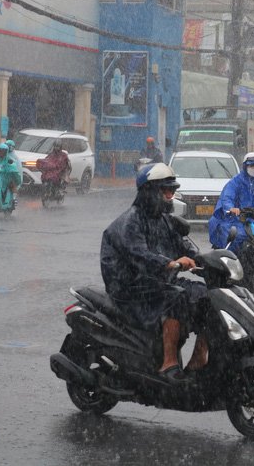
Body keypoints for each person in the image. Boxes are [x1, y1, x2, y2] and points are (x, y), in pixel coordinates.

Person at [100, 163, 209, 384]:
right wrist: (170, 264)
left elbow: (185, 248)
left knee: (208, 297)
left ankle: (198, 360)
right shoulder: (131, 221)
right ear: (150, 191)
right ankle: (168, 363)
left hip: (157, 282)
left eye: (172, 191)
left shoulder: (164, 220)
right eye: (166, 191)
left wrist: (209, 263)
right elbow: (139, 255)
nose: (170, 196)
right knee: (177, 298)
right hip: (132, 288)